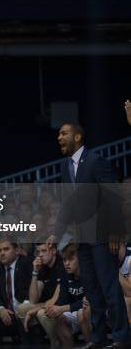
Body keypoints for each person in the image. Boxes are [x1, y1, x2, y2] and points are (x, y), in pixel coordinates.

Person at [50, 123, 130, 348]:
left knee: (109, 288)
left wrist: (115, 231)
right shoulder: (65, 166)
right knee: (92, 290)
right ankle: (97, 337)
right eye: (58, 134)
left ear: (77, 136)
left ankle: (122, 338)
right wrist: (56, 233)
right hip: (82, 237)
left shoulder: (95, 161)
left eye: (63, 133)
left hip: (102, 235)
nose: (59, 137)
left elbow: (113, 195)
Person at [0, 240, 33, 346]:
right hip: (10, 315)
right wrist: (1, 310)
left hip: (26, 312)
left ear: (17, 251)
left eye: (6, 249)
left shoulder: (26, 264)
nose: (2, 253)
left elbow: (31, 291)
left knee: (24, 315)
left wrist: (22, 309)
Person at [18, 242, 65, 346]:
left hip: (61, 304)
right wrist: (35, 272)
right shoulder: (42, 267)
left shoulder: (62, 265)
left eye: (44, 251)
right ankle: (35, 343)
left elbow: (55, 300)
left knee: (41, 313)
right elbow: (33, 299)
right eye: (38, 251)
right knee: (21, 308)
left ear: (53, 251)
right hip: (47, 303)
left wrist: (35, 310)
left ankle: (55, 342)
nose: (40, 255)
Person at [51, 243, 91, 348]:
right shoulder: (65, 274)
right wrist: (53, 309)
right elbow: (62, 301)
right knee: (59, 319)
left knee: (82, 313)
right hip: (74, 310)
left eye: (71, 259)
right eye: (64, 260)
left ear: (80, 259)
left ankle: (91, 345)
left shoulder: (88, 273)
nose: (67, 264)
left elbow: (88, 301)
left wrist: (62, 308)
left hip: (91, 311)